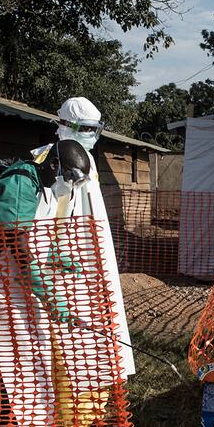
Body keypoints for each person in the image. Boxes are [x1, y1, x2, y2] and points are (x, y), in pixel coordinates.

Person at [0, 140, 106, 427]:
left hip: (15, 283)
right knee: (18, 361)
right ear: (53, 165)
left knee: (31, 358)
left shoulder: (39, 186)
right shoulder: (19, 184)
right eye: (71, 177)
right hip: (0, 284)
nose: (71, 186)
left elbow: (34, 239)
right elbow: (20, 251)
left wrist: (58, 258)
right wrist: (52, 302)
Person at [41, 97, 136, 378]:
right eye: (85, 129)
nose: (91, 136)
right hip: (61, 256)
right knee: (65, 324)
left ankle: (99, 376)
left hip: (91, 252)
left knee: (98, 314)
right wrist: (51, 250)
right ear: (65, 125)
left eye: (95, 129)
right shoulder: (49, 159)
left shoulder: (88, 161)